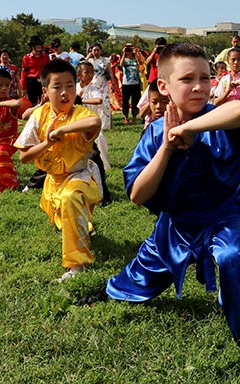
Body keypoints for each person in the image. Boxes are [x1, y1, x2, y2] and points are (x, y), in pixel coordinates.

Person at [76, 42, 240, 369]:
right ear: (164, 86)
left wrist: (187, 128)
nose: (199, 86)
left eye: (205, 78)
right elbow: (138, 195)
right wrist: (167, 146)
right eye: (188, 79)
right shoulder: (151, 136)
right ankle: (113, 291)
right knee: (145, 269)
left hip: (224, 214)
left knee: (233, 258)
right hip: (177, 223)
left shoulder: (216, 117)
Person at [14, 59, 103, 282]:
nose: (65, 92)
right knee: (66, 218)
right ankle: (83, 227)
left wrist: (63, 130)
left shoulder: (80, 113)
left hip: (80, 176)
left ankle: (76, 265)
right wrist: (48, 142)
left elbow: (95, 122)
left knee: (71, 198)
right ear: (45, 91)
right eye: (57, 87)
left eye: (70, 85)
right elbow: (24, 156)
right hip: (52, 181)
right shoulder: (39, 115)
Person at [76, 61, 113, 205]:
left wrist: (81, 100)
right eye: (87, 72)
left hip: (93, 126)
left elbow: (98, 100)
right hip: (79, 128)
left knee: (100, 144)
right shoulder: (75, 87)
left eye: (92, 72)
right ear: (79, 75)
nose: (90, 75)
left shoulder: (94, 87)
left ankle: (103, 169)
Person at [20, 36, 51, 106]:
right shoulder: (26, 58)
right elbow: (24, 73)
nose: (39, 46)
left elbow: (49, 70)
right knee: (32, 103)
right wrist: (23, 87)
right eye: (37, 44)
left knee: (45, 101)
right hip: (31, 82)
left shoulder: (46, 57)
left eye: (40, 44)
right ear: (32, 46)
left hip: (43, 81)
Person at [119, 43, 144, 124]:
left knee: (135, 101)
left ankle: (134, 117)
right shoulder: (124, 59)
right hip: (126, 84)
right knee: (125, 101)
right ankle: (126, 117)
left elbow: (140, 64)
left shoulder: (135, 59)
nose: (128, 50)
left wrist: (135, 53)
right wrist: (124, 53)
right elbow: (121, 64)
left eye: (130, 48)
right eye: (127, 48)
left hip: (136, 83)